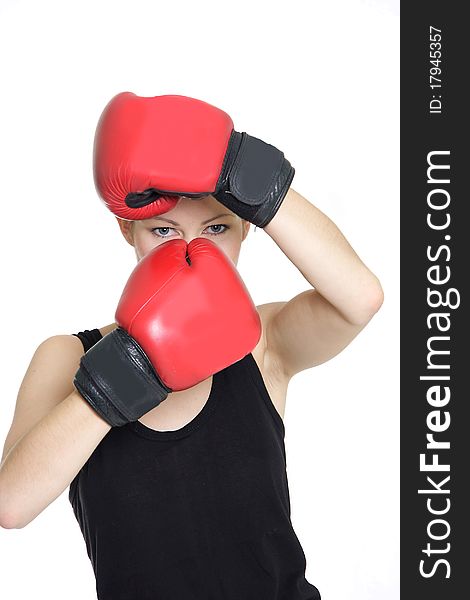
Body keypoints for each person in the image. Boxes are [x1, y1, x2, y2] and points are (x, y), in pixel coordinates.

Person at [0, 93, 384, 599]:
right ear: (127, 229)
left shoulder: (263, 342)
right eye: (163, 229)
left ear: (247, 227)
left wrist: (246, 171)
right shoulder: (69, 357)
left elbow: (361, 298)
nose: (189, 249)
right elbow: (11, 504)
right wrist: (131, 369)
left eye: (217, 228)